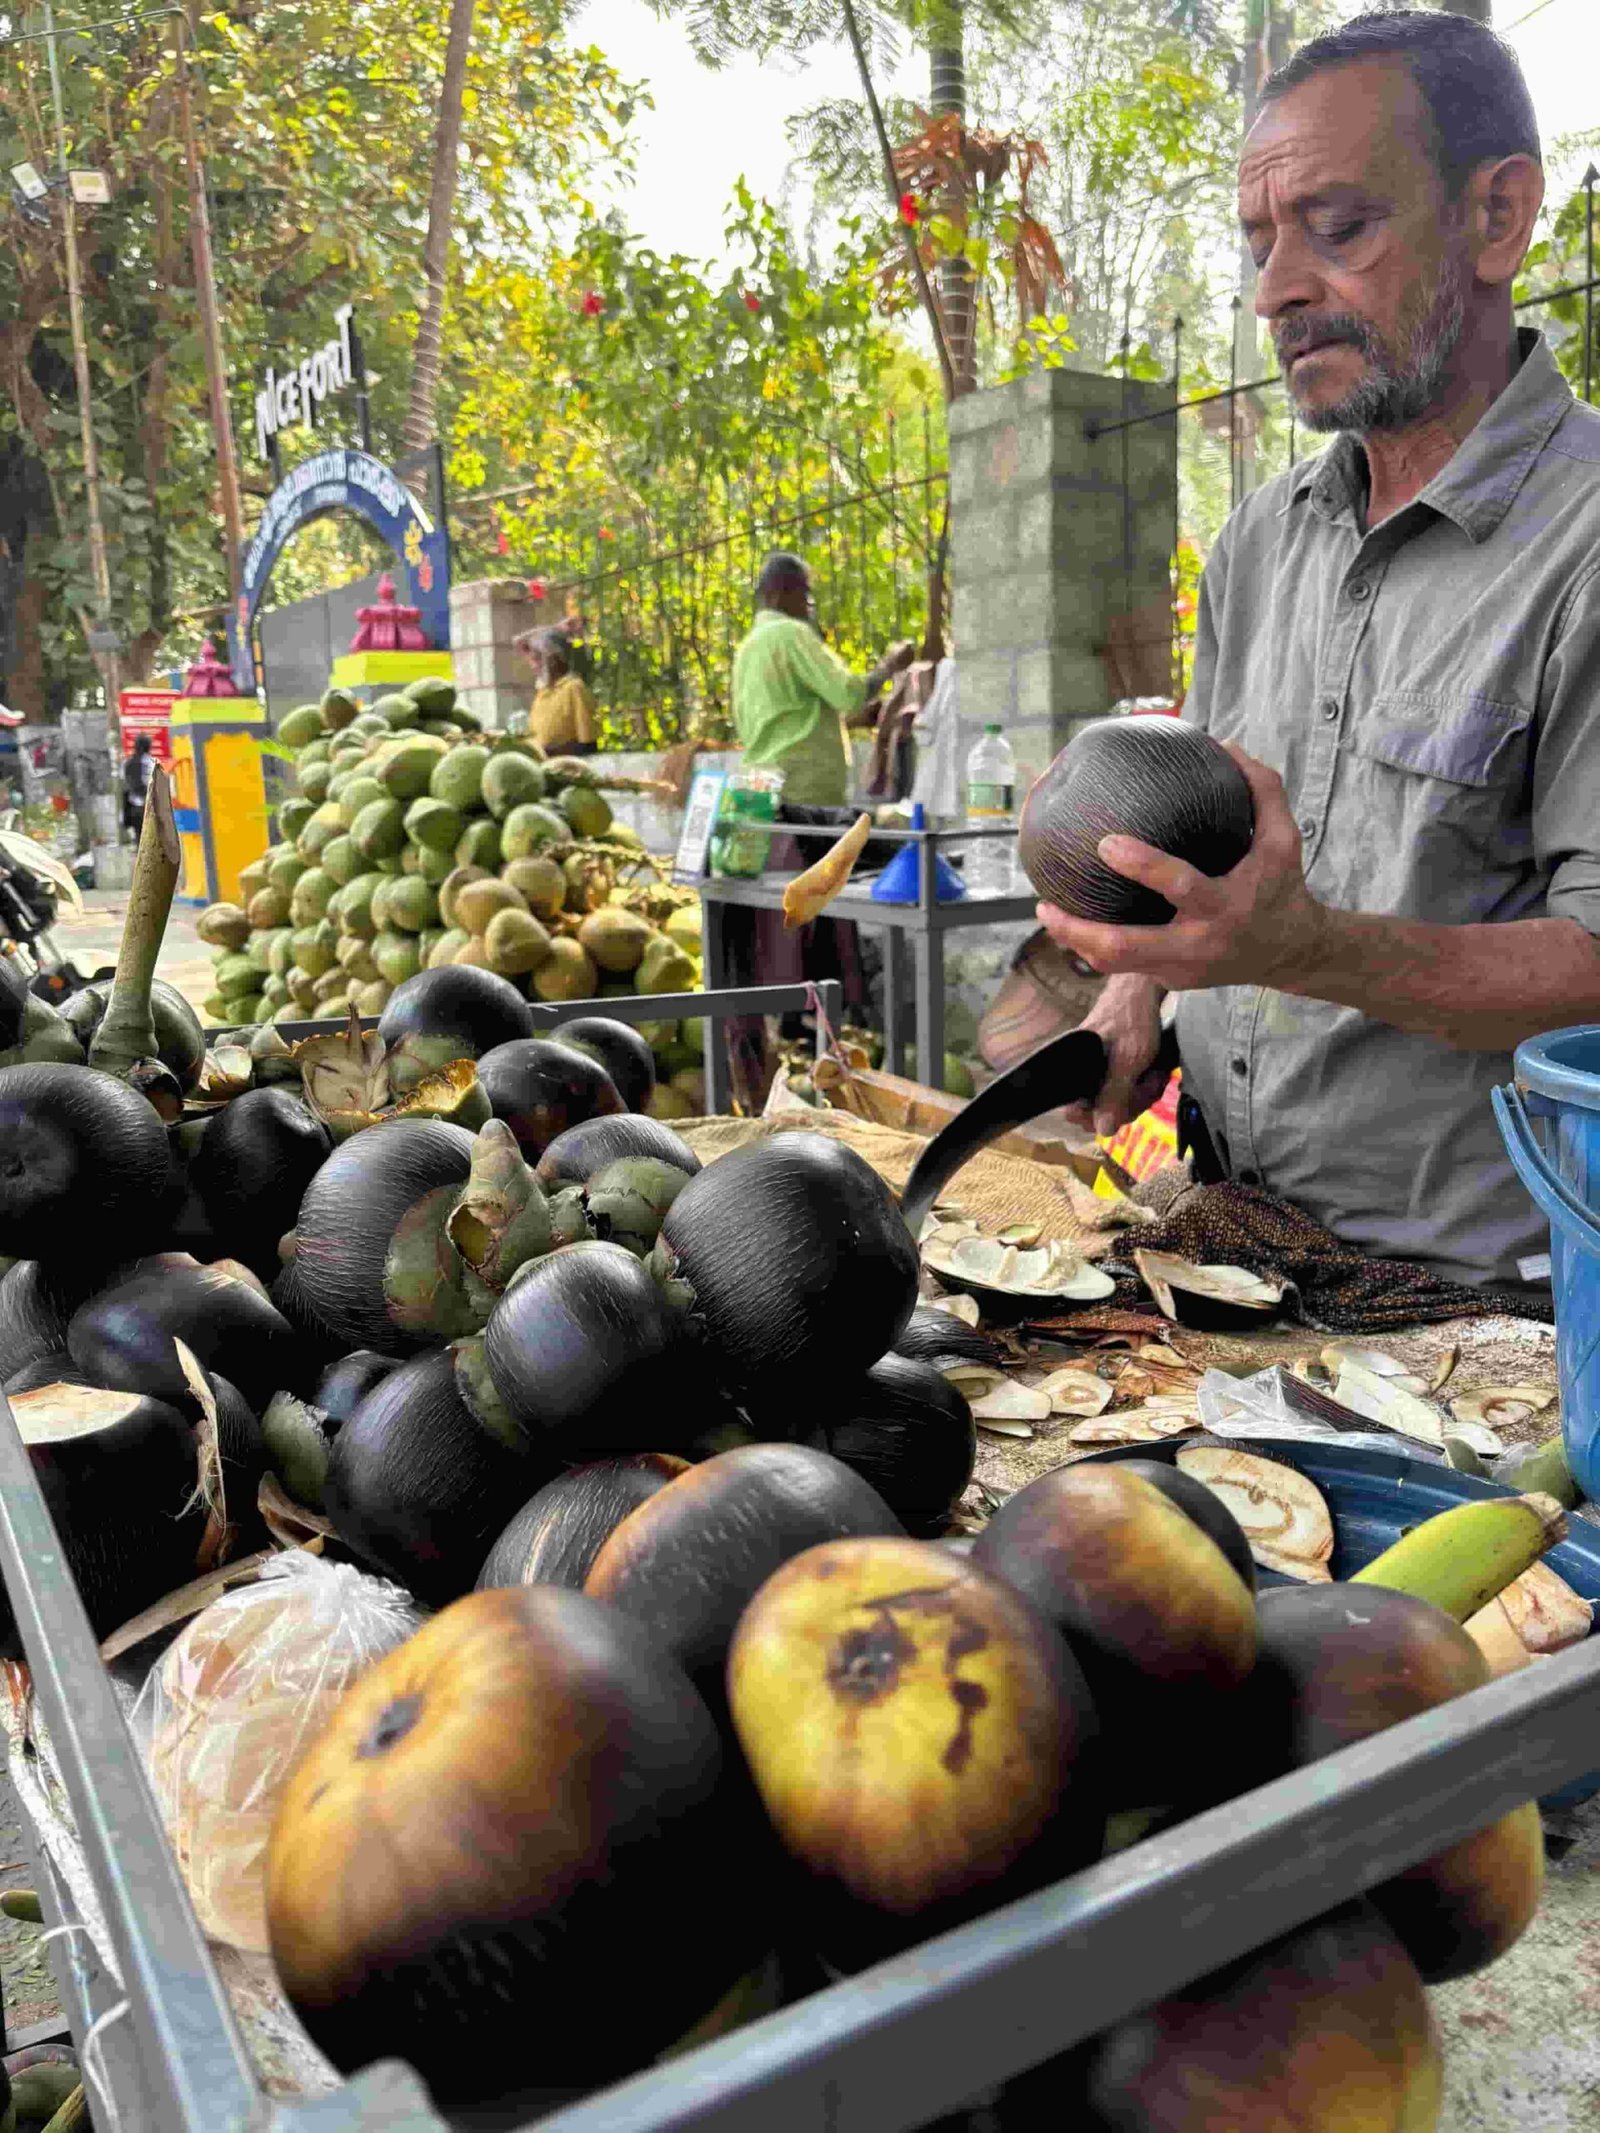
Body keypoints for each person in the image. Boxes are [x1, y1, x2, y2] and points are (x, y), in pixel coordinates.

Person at [1037, 9, 1600, 1293]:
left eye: (1337, 229)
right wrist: (1134, 993)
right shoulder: (1255, 544)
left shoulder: (1587, 548)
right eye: (1261, 242)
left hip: (1474, 1300)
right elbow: (1211, 850)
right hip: (1222, 1238)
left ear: (1497, 217)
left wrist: (1304, 950)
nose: (1277, 289)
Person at [731, 552, 913, 806]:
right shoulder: (791, 633)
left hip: (762, 784)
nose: (809, 605)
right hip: (803, 789)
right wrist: (889, 666)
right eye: (804, 594)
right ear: (782, 592)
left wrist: (849, 722)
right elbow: (849, 694)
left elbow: (782, 717)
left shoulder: (747, 650)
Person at [522, 629, 598, 755]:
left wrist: (553, 753)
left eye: (537, 659)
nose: (533, 666)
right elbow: (518, 642)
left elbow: (588, 744)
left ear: (553, 658)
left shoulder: (574, 688)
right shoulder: (542, 692)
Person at [121, 734, 153, 836]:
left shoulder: (127, 763)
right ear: (148, 747)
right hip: (149, 806)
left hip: (134, 808)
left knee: (139, 840)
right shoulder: (150, 762)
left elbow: (125, 781)